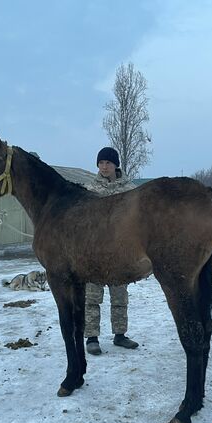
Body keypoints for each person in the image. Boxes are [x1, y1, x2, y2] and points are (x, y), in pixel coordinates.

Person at [84, 146, 139, 355]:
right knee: (92, 296)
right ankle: (92, 338)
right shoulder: (90, 190)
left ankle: (120, 335)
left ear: (116, 164)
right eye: (101, 163)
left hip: (120, 251)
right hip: (94, 251)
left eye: (108, 163)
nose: (104, 167)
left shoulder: (130, 190)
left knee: (119, 296)